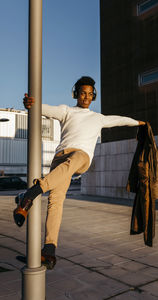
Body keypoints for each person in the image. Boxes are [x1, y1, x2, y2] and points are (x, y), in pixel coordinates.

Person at [13, 76, 145, 269]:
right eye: (83, 93)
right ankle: (49, 252)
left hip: (81, 158)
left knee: (77, 159)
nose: (86, 97)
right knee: (55, 202)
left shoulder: (97, 118)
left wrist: (139, 123)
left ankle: (30, 195)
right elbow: (43, 108)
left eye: (90, 94)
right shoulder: (67, 111)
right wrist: (31, 103)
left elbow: (118, 120)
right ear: (76, 94)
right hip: (60, 158)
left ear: (94, 97)